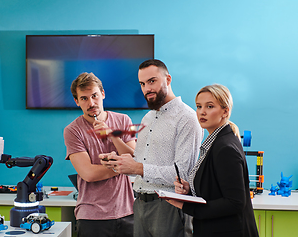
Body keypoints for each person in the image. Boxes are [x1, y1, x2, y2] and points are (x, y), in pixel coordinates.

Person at [100, 59, 203, 237]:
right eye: (142, 84)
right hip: (140, 204)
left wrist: (138, 168)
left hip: (169, 206)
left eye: (152, 81)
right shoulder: (148, 118)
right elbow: (140, 166)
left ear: (168, 79)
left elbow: (183, 174)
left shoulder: (187, 118)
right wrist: (120, 163)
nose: (147, 89)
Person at [167, 84, 259, 237]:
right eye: (199, 106)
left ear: (225, 111)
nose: (202, 112)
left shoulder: (225, 148)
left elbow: (234, 202)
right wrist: (190, 190)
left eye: (210, 106)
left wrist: (186, 206)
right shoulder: (215, 142)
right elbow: (216, 188)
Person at [63, 72, 136, 237]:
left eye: (94, 96)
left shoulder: (124, 120)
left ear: (102, 94)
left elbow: (135, 162)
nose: (91, 103)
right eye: (84, 98)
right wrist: (123, 166)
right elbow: (88, 174)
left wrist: (112, 135)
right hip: (91, 216)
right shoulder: (72, 131)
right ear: (77, 101)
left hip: (127, 212)